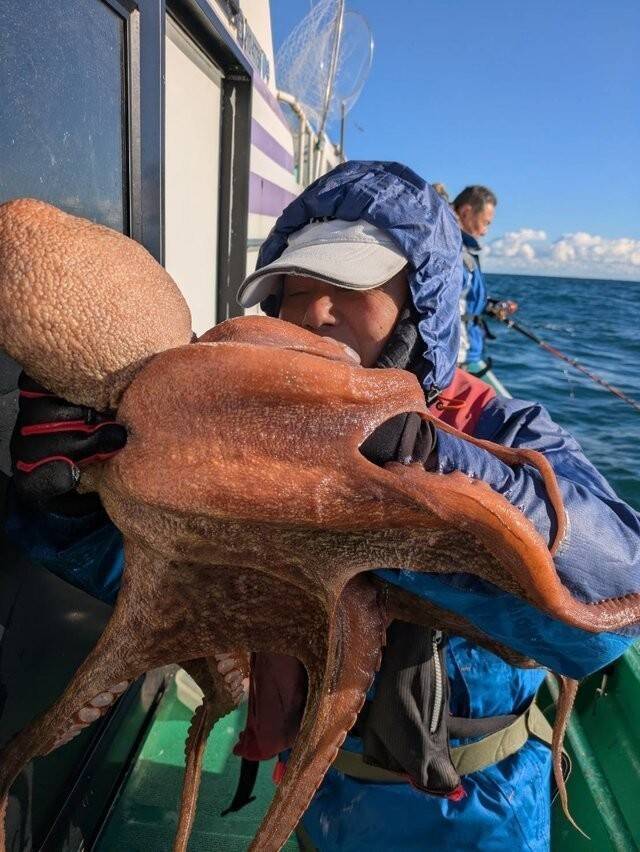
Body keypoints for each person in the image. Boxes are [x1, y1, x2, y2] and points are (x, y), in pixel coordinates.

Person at [6, 161, 640, 851]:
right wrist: (69, 504)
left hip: (475, 814)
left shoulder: (499, 431)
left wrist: (427, 469)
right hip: (320, 792)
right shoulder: (259, 441)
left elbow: (603, 615)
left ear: (422, 300)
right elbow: (170, 576)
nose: (311, 311)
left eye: (346, 283)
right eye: (290, 290)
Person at [452, 185, 517, 392]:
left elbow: (463, 297)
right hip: (455, 359)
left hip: (466, 354)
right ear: (466, 212)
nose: (486, 231)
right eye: (485, 223)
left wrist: (490, 305)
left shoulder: (464, 251)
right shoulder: (452, 251)